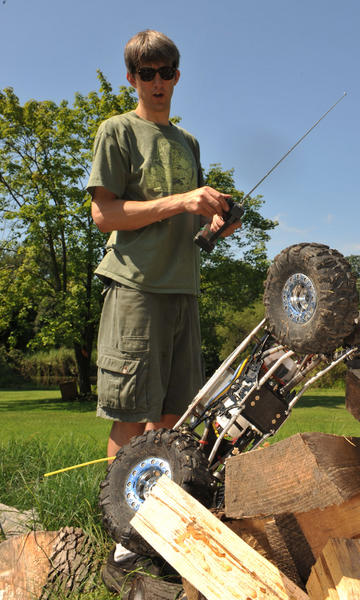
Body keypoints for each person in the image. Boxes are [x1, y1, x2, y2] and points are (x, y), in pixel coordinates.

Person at [87, 29, 239, 597]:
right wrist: (181, 199)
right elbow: (106, 215)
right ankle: (126, 542)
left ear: (178, 76)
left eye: (165, 71)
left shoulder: (189, 142)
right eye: (145, 73)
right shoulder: (117, 131)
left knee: (173, 420)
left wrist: (217, 224)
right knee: (130, 416)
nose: (156, 82)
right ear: (132, 78)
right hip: (136, 288)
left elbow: (187, 225)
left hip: (183, 290)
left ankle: (163, 531)